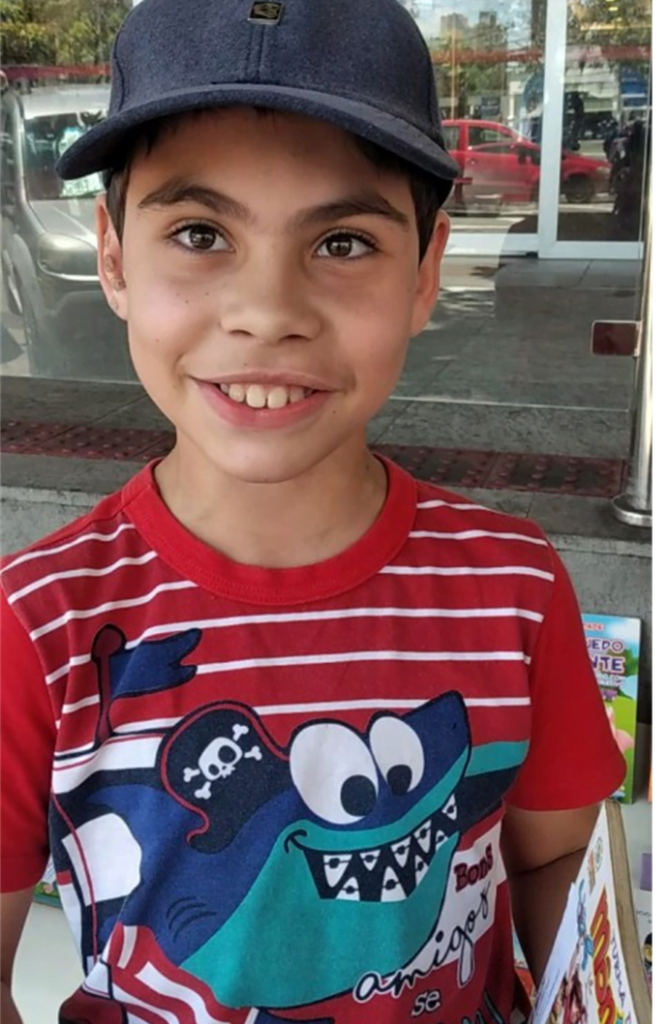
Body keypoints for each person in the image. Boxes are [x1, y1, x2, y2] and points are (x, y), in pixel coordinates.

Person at [0, 0, 625, 1022]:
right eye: (199, 233)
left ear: (425, 271)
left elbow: (556, 859)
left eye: (341, 242)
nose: (269, 312)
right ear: (113, 256)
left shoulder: (513, 584)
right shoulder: (37, 624)